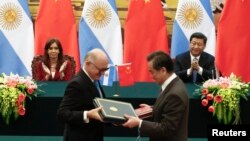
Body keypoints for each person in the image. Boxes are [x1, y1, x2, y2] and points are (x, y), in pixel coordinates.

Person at [122, 51, 189, 141]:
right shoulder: (172, 84)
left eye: (152, 72)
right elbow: (168, 107)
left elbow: (167, 128)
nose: (151, 76)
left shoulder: (175, 94)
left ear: (163, 70)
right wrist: (153, 109)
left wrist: (139, 123)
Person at [57, 48, 110, 141]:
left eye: (105, 69)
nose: (102, 73)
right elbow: (62, 113)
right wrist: (87, 114)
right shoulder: (76, 84)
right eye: (100, 69)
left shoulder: (93, 78)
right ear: (88, 63)